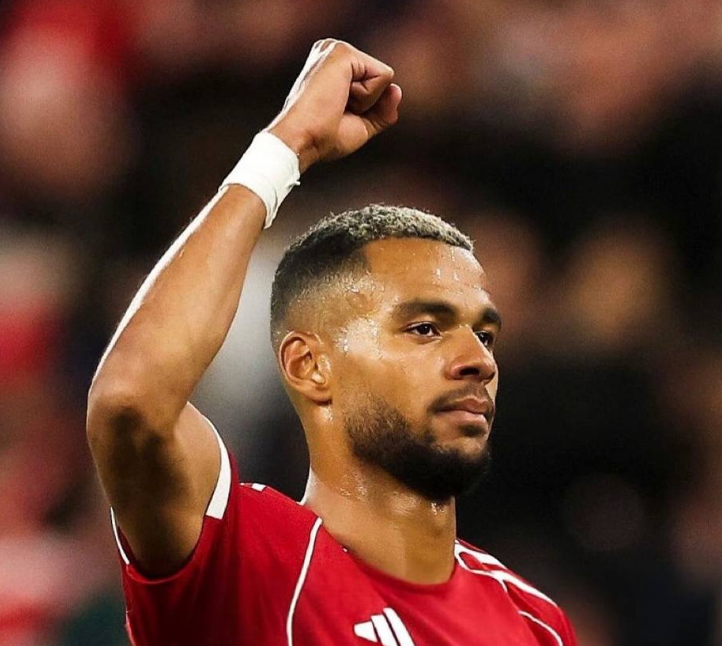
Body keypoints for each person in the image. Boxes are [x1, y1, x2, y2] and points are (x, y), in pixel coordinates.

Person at [87, 39, 578, 646]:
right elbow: (130, 402)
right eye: (425, 329)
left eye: (484, 334)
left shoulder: (532, 621)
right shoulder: (245, 559)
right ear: (310, 365)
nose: (478, 361)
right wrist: (285, 147)